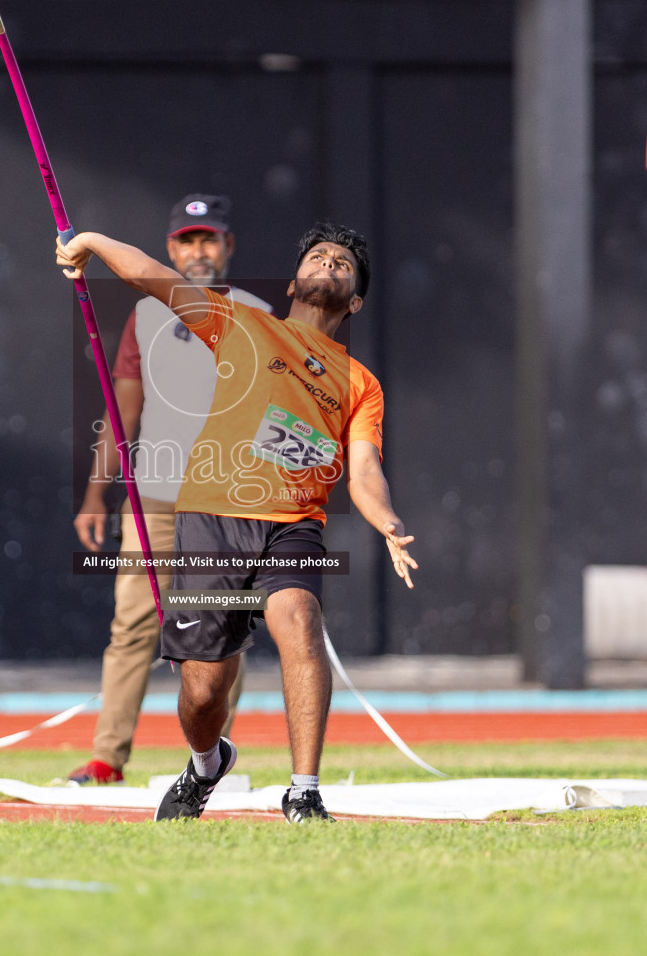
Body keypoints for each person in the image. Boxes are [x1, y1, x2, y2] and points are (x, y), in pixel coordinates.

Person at [56, 221, 417, 823]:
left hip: (293, 524)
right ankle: (205, 764)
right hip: (212, 521)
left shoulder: (359, 383)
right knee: (202, 691)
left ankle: (303, 791)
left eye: (343, 263)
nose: (329, 262)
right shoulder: (244, 326)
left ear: (354, 299)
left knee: (300, 624)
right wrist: (92, 240)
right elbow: (157, 277)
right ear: (295, 282)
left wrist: (385, 519)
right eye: (319, 255)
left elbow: (364, 469)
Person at [69, 194, 271, 785]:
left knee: (226, 629)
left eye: (209, 239)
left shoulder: (257, 314)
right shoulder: (145, 316)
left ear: (228, 247)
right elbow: (123, 409)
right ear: (169, 249)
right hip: (155, 500)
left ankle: (215, 760)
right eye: (187, 240)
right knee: (131, 625)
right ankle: (109, 758)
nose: (198, 251)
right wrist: (94, 493)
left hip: (228, 501)